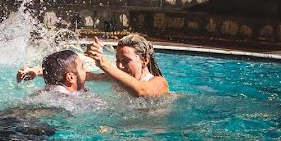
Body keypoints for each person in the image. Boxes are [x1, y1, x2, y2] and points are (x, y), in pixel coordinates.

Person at [18, 33, 169, 97]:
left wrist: (102, 62)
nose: (120, 67)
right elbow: (79, 76)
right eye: (117, 60)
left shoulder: (158, 83)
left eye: (126, 61)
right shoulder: (116, 78)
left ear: (145, 61)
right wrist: (39, 71)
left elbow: (141, 91)